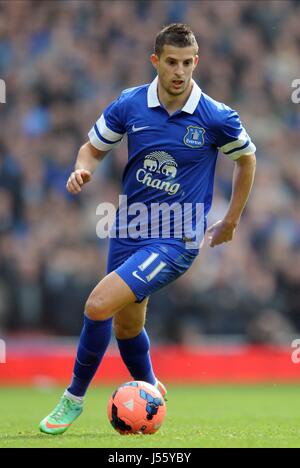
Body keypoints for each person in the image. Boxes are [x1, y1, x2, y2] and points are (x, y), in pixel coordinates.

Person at [39, 23, 256, 435]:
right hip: (129, 228)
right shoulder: (130, 104)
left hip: (178, 237)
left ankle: (72, 398)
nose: (179, 71)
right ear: (156, 61)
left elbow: (247, 159)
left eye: (187, 63)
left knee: (97, 304)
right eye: (171, 62)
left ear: (197, 62)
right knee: (126, 326)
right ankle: (151, 386)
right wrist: (82, 169)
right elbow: (93, 147)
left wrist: (231, 219)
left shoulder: (216, 116)